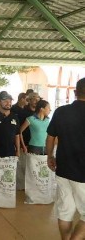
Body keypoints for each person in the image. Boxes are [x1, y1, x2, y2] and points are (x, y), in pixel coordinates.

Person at [46, 77, 85, 240]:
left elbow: (50, 137)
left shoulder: (61, 111)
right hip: (83, 173)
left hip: (63, 169)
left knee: (65, 211)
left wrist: (49, 156)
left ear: (75, 92)